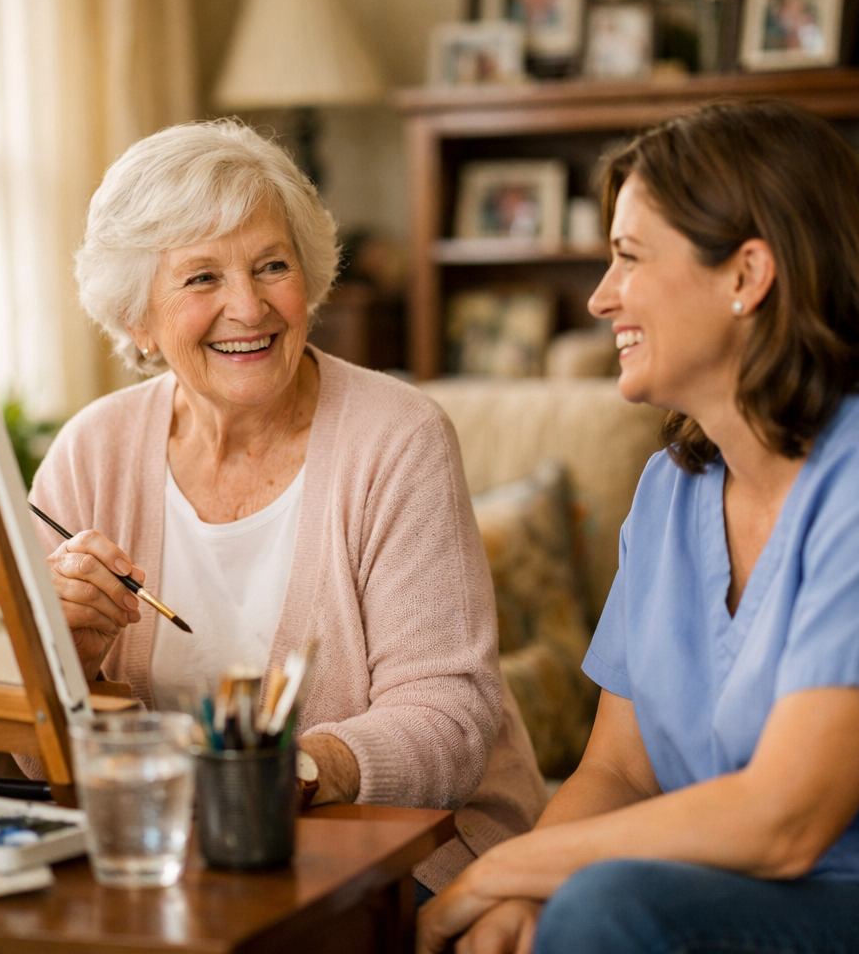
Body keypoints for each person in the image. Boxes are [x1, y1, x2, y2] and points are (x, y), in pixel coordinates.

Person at [28, 119, 546, 896]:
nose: (249, 307)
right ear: (137, 317)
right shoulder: (90, 450)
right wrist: (59, 649)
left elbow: (449, 717)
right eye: (202, 278)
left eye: (271, 266)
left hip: (402, 857)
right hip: (169, 864)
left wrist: (290, 775)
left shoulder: (399, 438)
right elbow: (21, 742)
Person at [417, 99, 859, 952]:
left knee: (601, 911)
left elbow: (788, 819)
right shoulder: (670, 490)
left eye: (630, 258)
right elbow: (620, 770)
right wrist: (529, 891)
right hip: (704, 891)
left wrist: (503, 871)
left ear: (747, 275)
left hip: (852, 895)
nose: (600, 298)